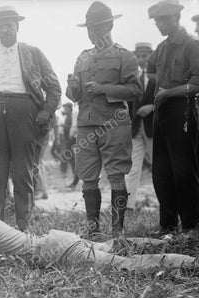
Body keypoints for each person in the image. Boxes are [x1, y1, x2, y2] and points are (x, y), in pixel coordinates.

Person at [0, 179, 198, 271]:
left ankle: (190, 262)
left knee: (126, 265)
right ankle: (171, 243)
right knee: (115, 246)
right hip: (58, 242)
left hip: (61, 253)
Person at [0, 5, 61, 231]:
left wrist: (46, 111)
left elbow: (54, 86)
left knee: (23, 172)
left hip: (24, 114)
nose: (4, 30)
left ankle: (23, 228)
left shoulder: (33, 53)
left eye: (8, 25)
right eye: (0, 26)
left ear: (17, 26)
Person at [66, 1, 142, 238]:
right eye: (90, 29)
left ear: (109, 25)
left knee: (116, 175)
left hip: (114, 124)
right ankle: (93, 230)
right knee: (88, 177)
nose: (93, 33)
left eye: (98, 28)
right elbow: (74, 95)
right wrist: (72, 88)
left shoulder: (125, 56)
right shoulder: (82, 57)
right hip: (86, 125)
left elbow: (135, 90)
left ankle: (117, 231)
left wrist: (103, 88)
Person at [147, 0, 199, 237]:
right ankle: (167, 225)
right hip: (161, 114)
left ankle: (190, 225)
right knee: (161, 172)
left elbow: (197, 84)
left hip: (183, 112)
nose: (158, 25)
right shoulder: (161, 47)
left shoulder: (192, 45)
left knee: (183, 171)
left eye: (162, 20)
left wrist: (169, 92)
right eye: (156, 21)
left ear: (176, 18)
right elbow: (150, 71)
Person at [125, 42, 156, 211]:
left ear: (151, 56)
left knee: (157, 166)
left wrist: (152, 107)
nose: (141, 59)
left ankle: (164, 203)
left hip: (153, 127)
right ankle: (129, 205)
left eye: (145, 56)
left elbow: (165, 98)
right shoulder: (133, 78)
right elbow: (129, 106)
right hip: (136, 128)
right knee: (133, 167)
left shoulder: (157, 76)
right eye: (138, 56)